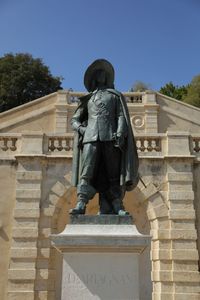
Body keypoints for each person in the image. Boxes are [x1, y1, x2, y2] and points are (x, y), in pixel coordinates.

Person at [70, 59, 139, 215]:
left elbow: (121, 116)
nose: (101, 75)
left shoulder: (115, 96)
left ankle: (117, 204)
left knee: (113, 173)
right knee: (86, 172)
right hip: (90, 138)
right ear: (94, 78)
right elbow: (74, 120)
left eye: (103, 73)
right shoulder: (88, 99)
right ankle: (81, 202)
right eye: (98, 73)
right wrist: (81, 129)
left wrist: (121, 132)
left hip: (111, 138)